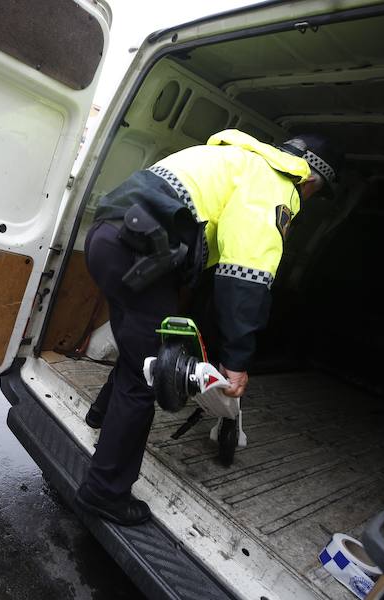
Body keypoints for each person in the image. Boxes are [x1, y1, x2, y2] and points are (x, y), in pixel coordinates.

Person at [75, 129, 341, 525]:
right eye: (317, 193)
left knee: (138, 351)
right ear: (311, 180)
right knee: (149, 376)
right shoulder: (275, 186)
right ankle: (104, 492)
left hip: (110, 238)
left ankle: (100, 415)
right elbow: (245, 278)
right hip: (140, 251)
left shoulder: (238, 158)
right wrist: (236, 361)